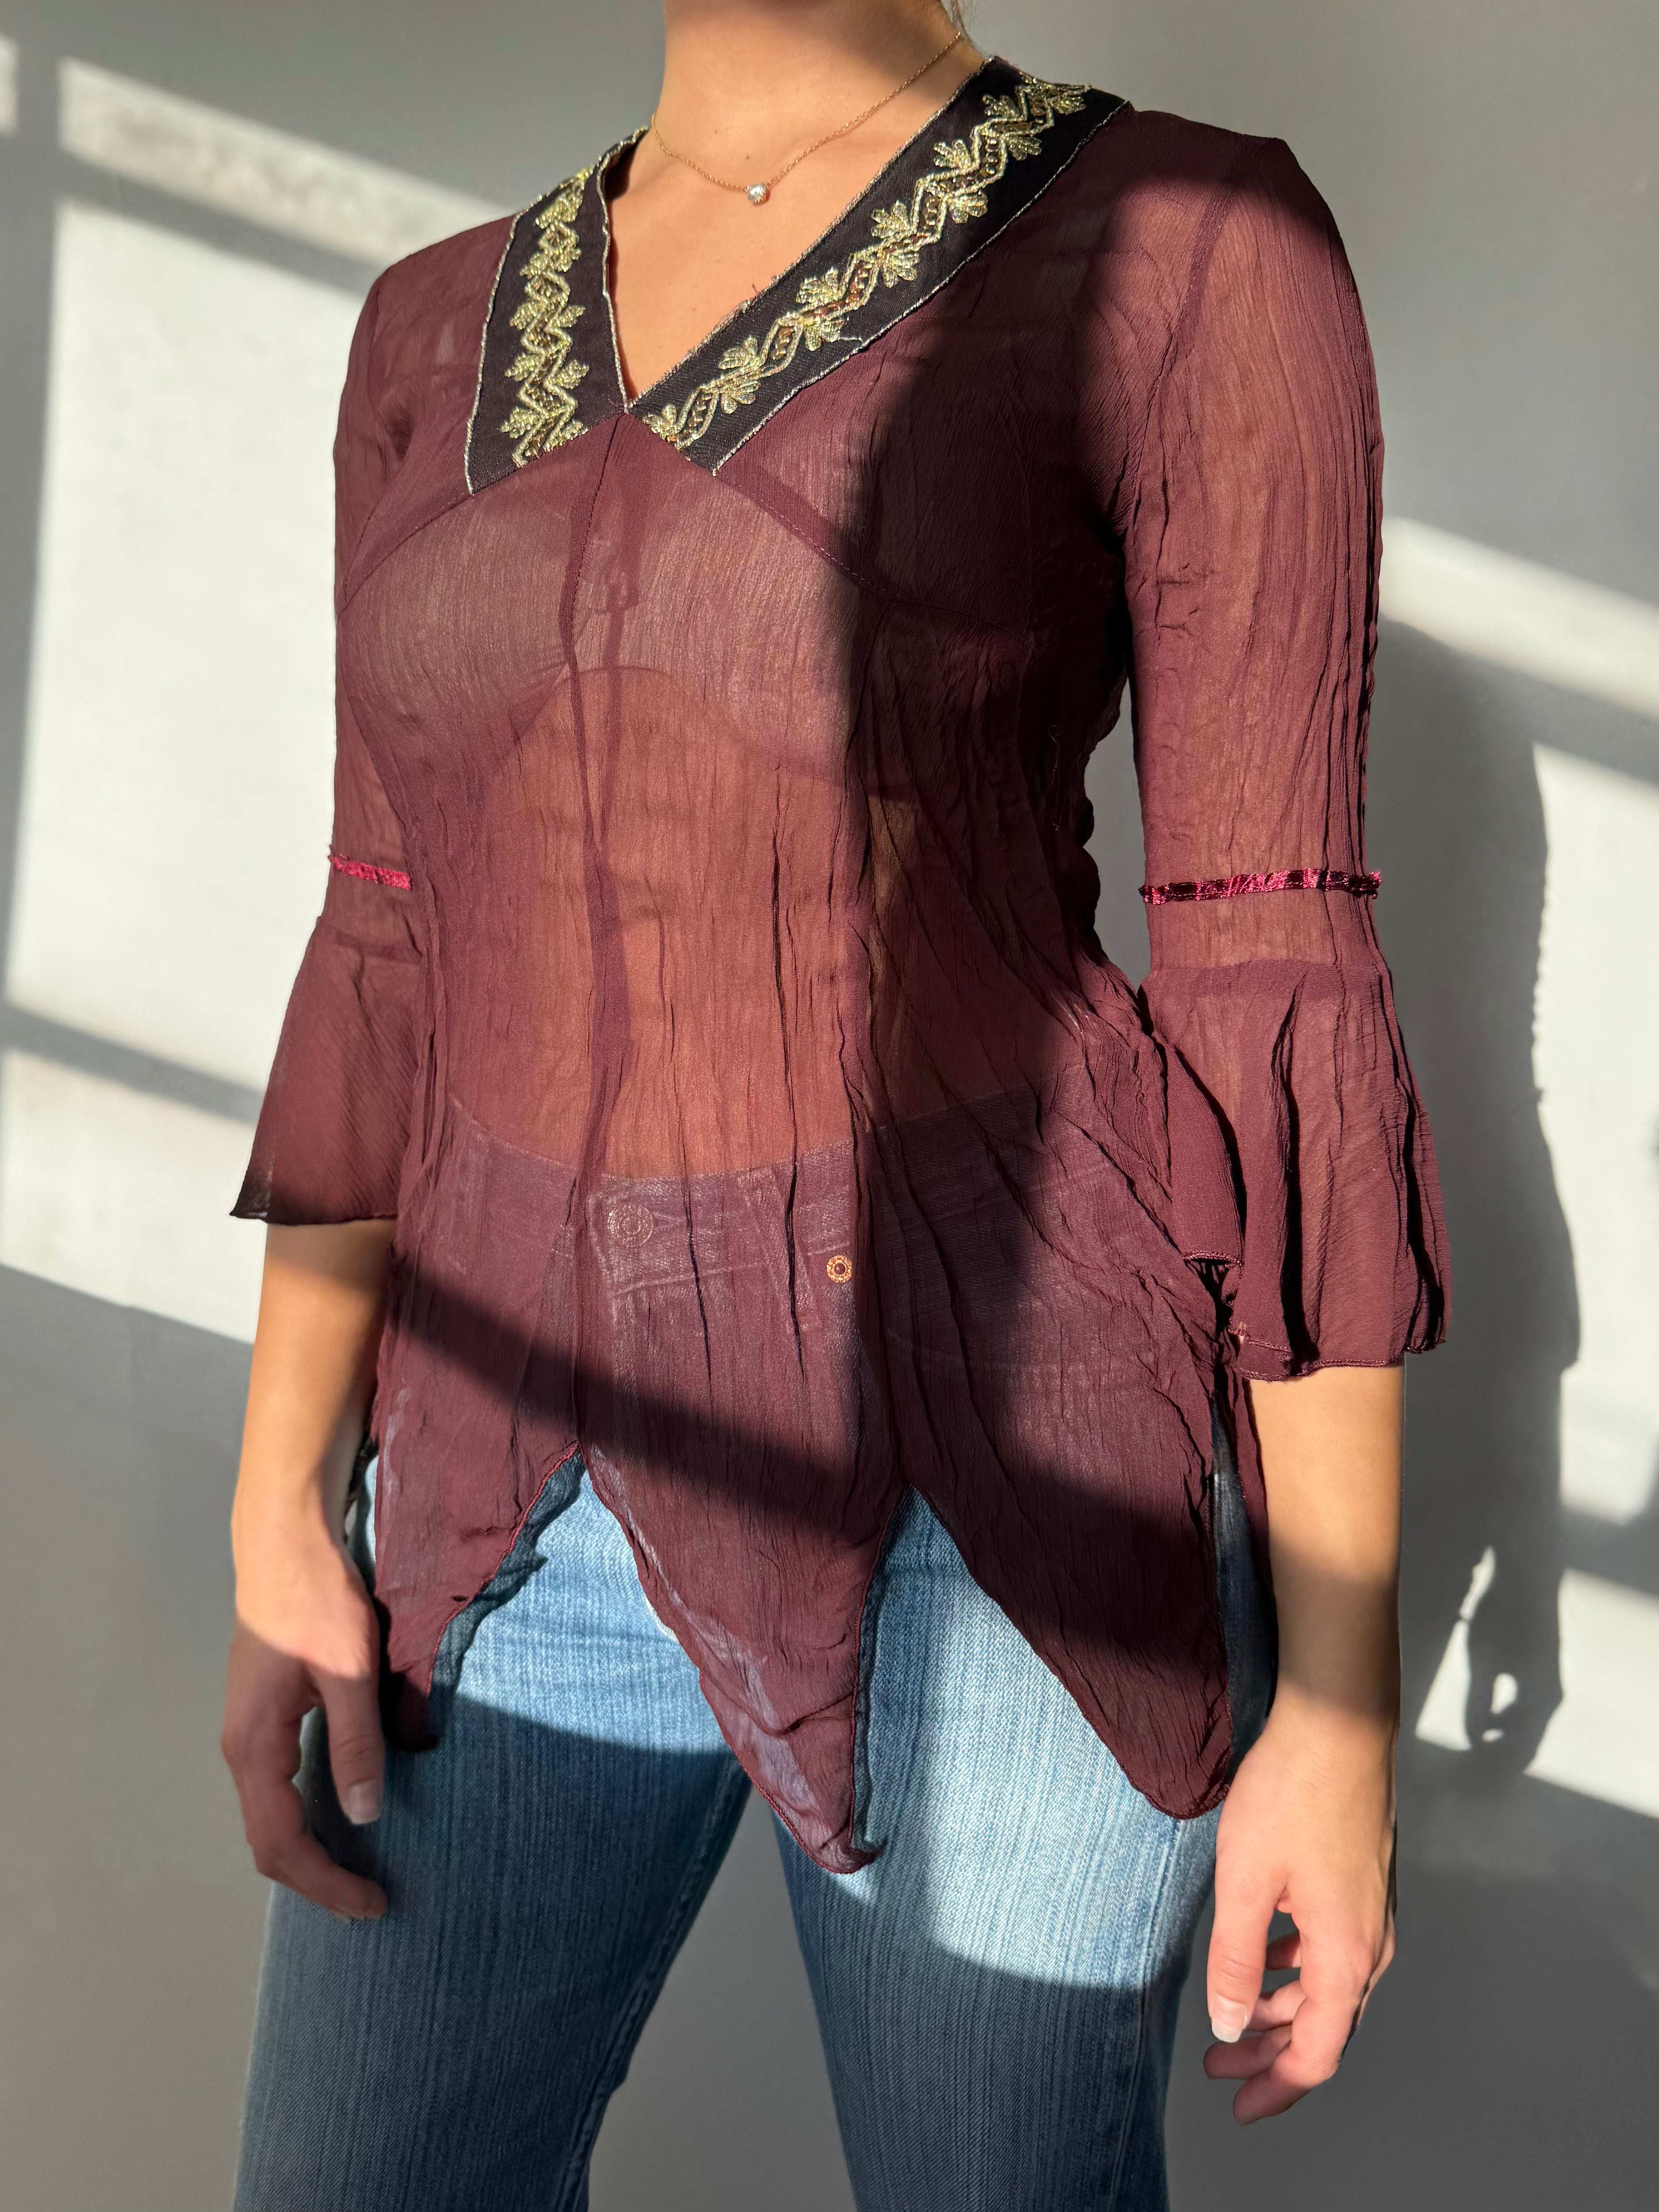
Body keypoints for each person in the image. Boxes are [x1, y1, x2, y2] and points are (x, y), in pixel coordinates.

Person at [221, 2, 1449, 2204]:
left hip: (1002, 1511)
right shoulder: (427, 324)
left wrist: (1335, 1708)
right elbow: (386, 935)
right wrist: (276, 1506)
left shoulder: (1179, 240)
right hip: (498, 1505)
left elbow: (1275, 970)